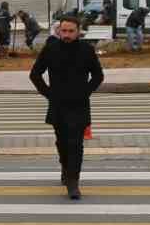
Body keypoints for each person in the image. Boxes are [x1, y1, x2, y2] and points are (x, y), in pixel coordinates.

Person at [29, 14, 104, 201]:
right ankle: (65, 166)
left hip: (79, 105)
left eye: (71, 31)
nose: (67, 34)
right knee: (62, 142)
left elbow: (98, 76)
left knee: (76, 144)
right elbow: (35, 74)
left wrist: (85, 91)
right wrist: (48, 93)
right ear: (59, 31)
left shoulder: (87, 50)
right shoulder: (51, 49)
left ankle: (73, 181)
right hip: (58, 105)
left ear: (78, 32)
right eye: (64, 31)